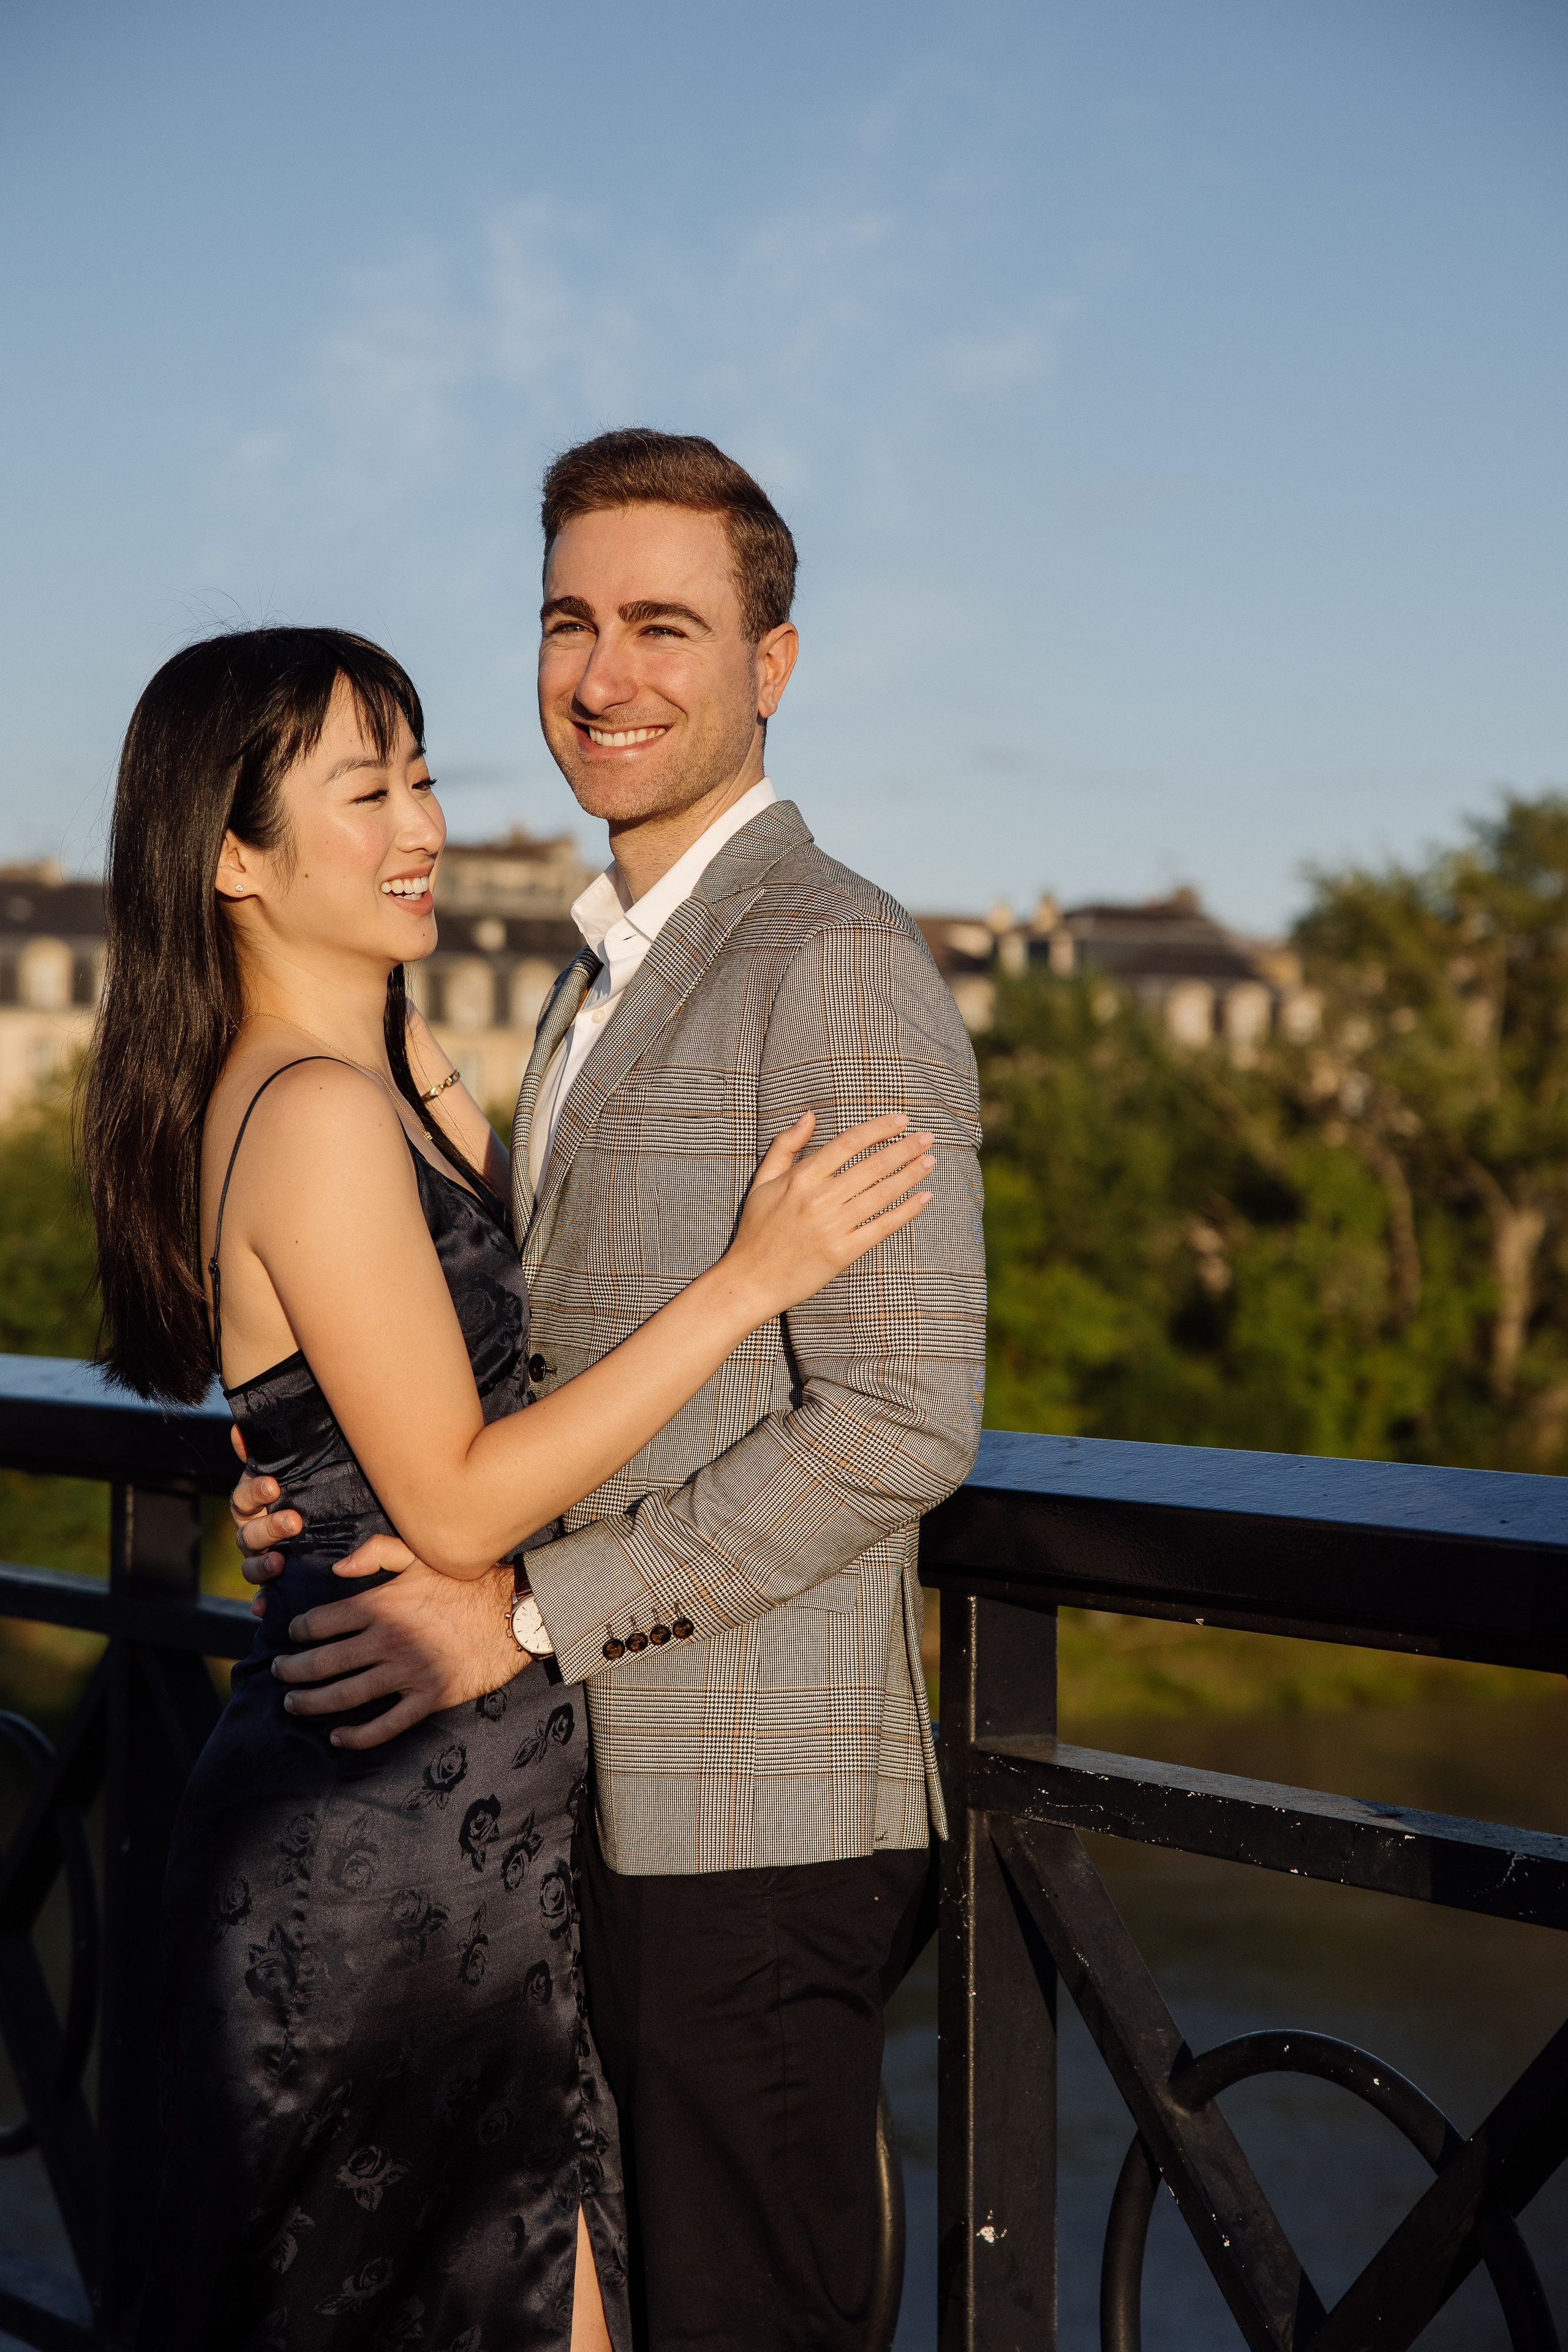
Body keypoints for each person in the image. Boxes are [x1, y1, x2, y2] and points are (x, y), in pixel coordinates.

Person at [83, 622, 935, 2352]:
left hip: (463, 1820)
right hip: (391, 1833)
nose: (420, 826)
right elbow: (461, 1507)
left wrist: (304, 1496)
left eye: (421, 776)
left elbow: (455, 1367)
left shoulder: (379, 1072)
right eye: (362, 790)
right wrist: (752, 1277)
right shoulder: (312, 1107)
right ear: (231, 858)